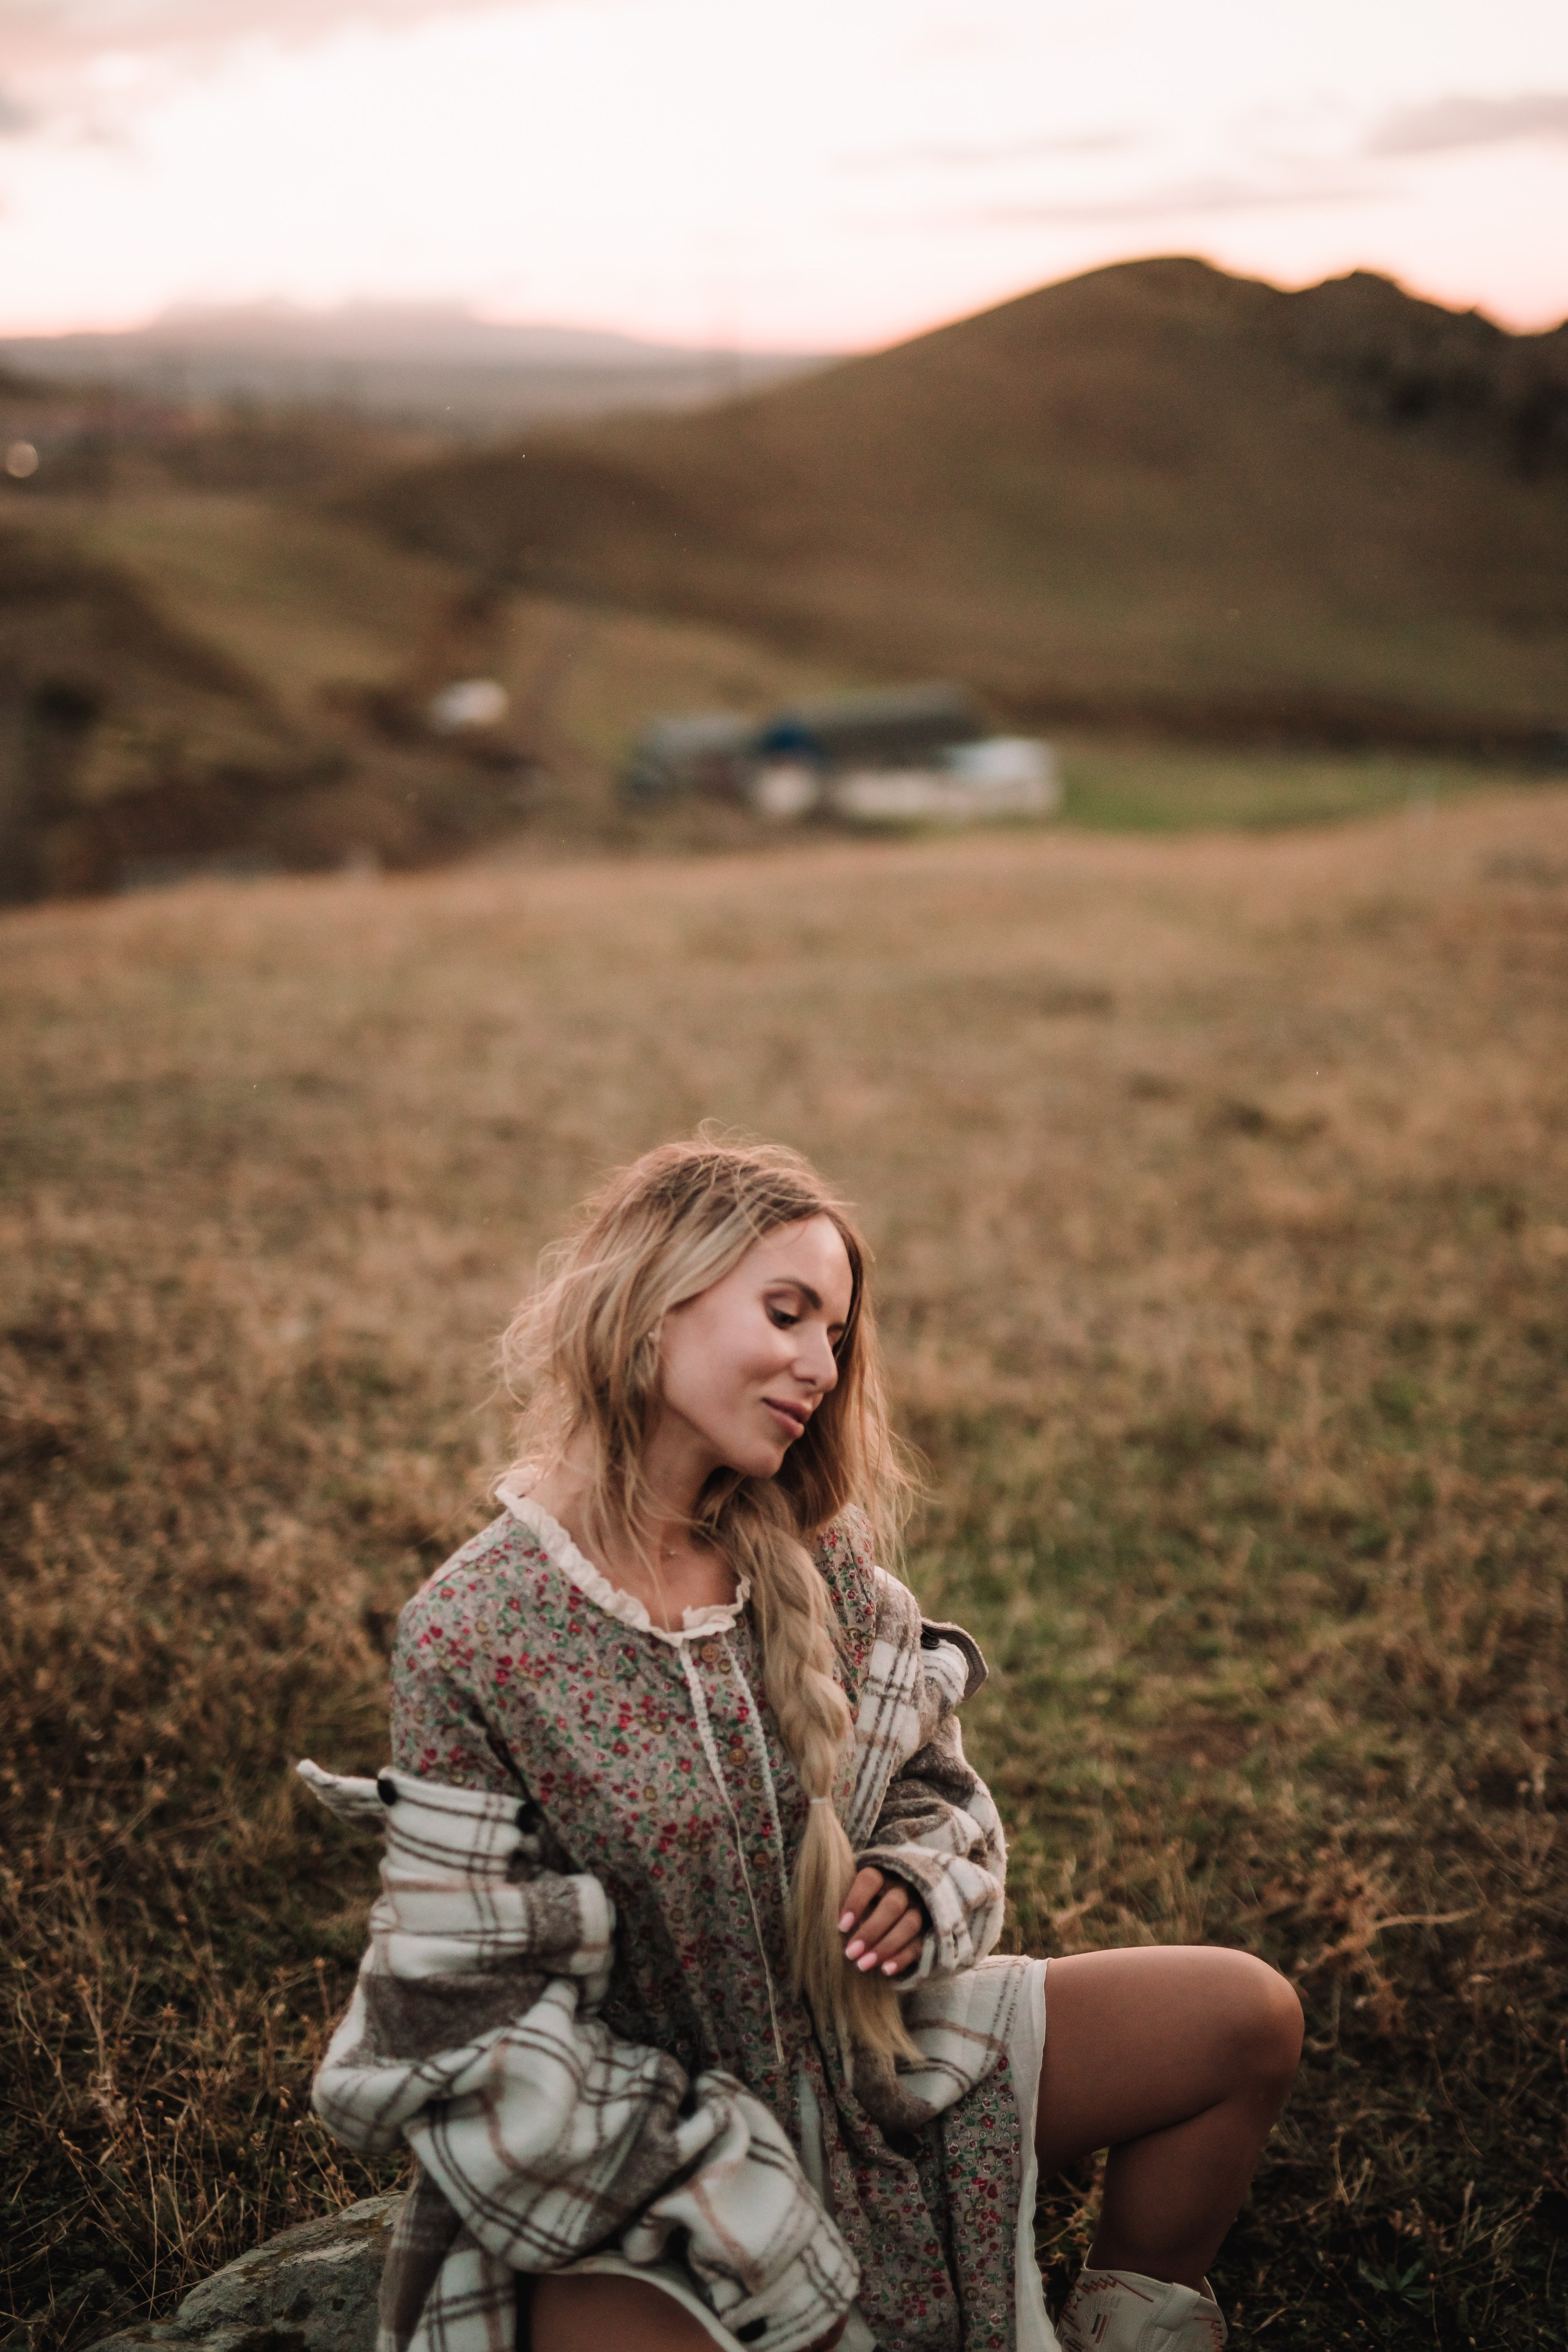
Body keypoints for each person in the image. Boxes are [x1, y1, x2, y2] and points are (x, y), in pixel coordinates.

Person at [310, 1137, 1301, 2352]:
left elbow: (941, 1796)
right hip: (646, 2165)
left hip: (877, 2066)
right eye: (787, 1314)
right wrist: (733, 2184)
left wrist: (912, 1881)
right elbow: (468, 2025)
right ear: (651, 1292)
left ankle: (1123, 2326)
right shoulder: (475, 1634)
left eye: (834, 1335)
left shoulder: (820, 1564)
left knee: (1239, 2020)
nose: (819, 1367)